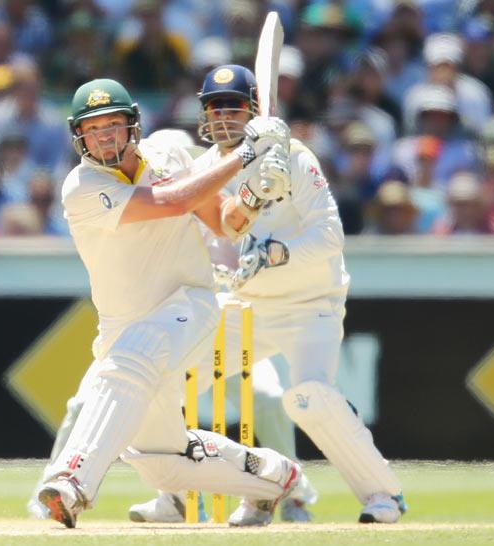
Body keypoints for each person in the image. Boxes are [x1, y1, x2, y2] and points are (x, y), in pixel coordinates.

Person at [131, 64, 407, 525]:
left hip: (311, 304)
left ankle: (383, 496)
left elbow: (331, 236)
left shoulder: (295, 156)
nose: (222, 118)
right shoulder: (206, 170)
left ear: (254, 110)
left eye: (233, 107)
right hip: (247, 305)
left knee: (309, 396)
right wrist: (225, 268)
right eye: (213, 108)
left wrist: (277, 253)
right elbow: (204, 239)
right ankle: (181, 493)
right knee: (167, 383)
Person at [36, 77, 303, 529]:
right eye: (93, 128)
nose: (104, 136)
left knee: (132, 359)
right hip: (124, 325)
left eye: (114, 125)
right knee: (159, 461)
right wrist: (246, 153)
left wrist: (255, 194)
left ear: (132, 126)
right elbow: (172, 201)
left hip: (189, 304)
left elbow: (224, 222)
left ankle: (72, 480)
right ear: (78, 135)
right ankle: (275, 477)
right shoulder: (80, 188)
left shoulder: (170, 158)